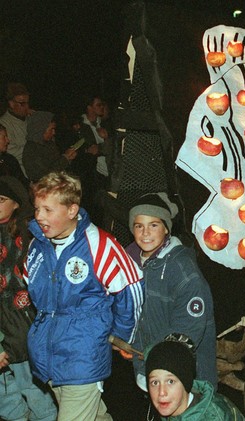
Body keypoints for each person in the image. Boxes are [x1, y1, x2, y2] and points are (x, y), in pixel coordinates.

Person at [24, 171, 144, 421]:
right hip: (49, 356)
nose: (39, 217)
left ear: (71, 210)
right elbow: (32, 288)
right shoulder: (37, 245)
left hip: (83, 355)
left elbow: (131, 287)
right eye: (37, 209)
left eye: (48, 210)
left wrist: (121, 335)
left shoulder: (98, 244)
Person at [126, 192, 218, 391]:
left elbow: (189, 324)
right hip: (146, 363)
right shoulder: (128, 262)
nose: (145, 233)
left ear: (166, 228)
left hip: (183, 370)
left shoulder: (182, 269)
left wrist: (159, 358)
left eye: (154, 225)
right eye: (139, 226)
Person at [0, 176, 58, 421]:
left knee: (34, 393)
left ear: (16, 204)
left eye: (1, 199)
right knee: (6, 401)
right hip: (3, 330)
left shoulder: (29, 233)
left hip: (23, 329)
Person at [145, 336, 245, 420]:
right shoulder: (172, 406)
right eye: (155, 382)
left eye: (170, 381)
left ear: (186, 383)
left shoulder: (213, 416)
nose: (161, 392)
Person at [22, 111, 77, 182]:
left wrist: (68, 158)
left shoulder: (49, 144)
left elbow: (57, 164)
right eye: (51, 129)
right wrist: (65, 158)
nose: (54, 132)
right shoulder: (31, 150)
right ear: (41, 130)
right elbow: (44, 176)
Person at [0, 83, 31, 176]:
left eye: (27, 103)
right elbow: (10, 152)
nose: (27, 107)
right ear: (11, 104)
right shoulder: (4, 124)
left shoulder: (30, 119)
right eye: (22, 103)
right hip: (23, 174)